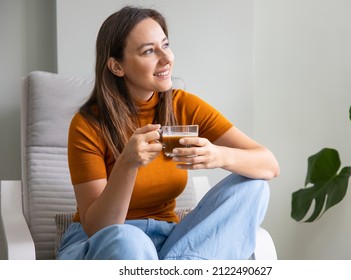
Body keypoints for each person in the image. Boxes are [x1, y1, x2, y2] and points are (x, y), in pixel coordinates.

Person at [56, 5, 280, 260]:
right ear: (117, 66)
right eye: (149, 51)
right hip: (103, 244)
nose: (166, 58)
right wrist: (126, 165)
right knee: (128, 240)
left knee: (253, 186)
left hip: (169, 241)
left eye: (165, 45)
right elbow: (98, 228)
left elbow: (269, 165)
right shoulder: (88, 124)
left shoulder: (183, 105)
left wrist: (218, 155)